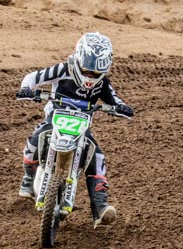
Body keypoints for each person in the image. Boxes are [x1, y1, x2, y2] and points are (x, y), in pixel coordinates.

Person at [15, 32, 134, 227]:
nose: (90, 76)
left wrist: (122, 107)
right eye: (87, 70)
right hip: (55, 118)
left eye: (95, 73)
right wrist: (27, 88)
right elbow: (33, 77)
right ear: (79, 59)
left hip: (82, 126)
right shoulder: (63, 70)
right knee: (35, 139)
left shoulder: (102, 83)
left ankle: (100, 207)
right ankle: (29, 178)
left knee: (97, 156)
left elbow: (115, 99)